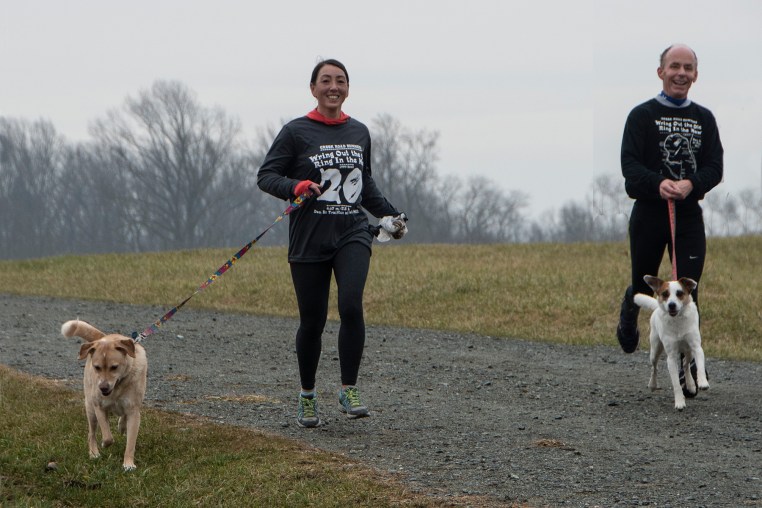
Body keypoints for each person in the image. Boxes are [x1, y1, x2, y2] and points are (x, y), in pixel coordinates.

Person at [257, 59, 407, 428]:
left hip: (352, 232)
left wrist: (391, 215)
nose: (333, 87)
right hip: (309, 238)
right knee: (313, 320)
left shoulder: (359, 132)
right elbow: (267, 176)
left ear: (347, 89)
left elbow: (364, 183)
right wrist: (297, 186)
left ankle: (348, 388)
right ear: (313, 89)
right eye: (325, 81)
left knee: (351, 306)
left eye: (340, 81)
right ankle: (307, 396)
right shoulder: (296, 131)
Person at [617, 44, 723, 391]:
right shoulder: (641, 116)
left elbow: (714, 167)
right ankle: (630, 310)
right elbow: (630, 167)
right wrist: (657, 183)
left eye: (688, 67)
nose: (681, 73)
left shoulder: (704, 118)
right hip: (650, 212)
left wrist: (692, 183)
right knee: (643, 281)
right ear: (661, 72)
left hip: (688, 213)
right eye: (674, 66)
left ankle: (687, 369)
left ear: (695, 74)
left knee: (689, 285)